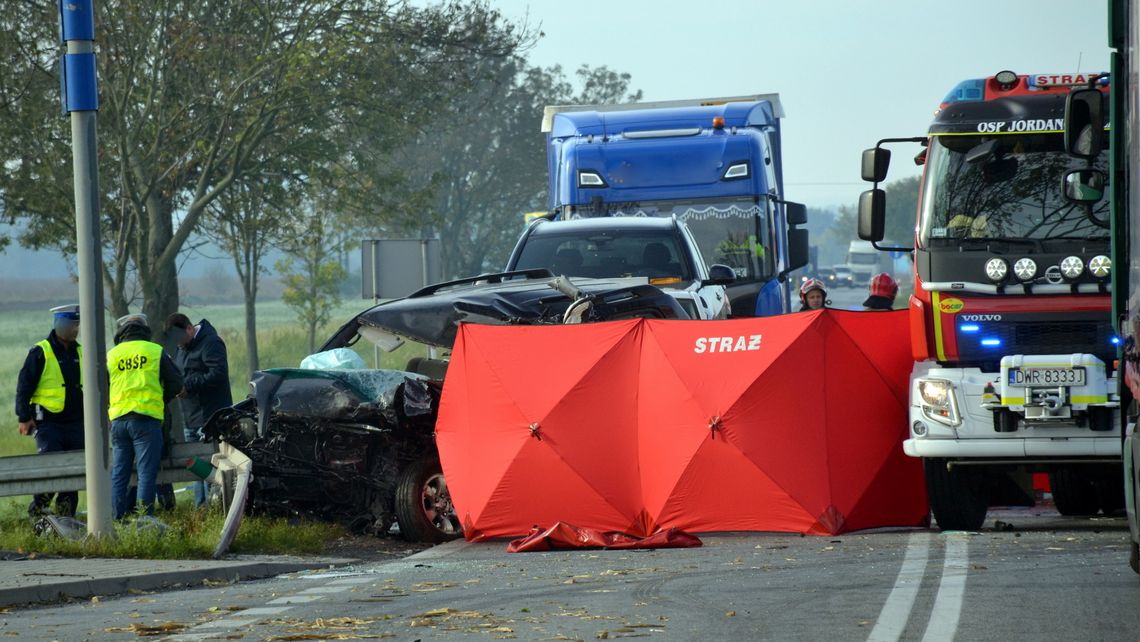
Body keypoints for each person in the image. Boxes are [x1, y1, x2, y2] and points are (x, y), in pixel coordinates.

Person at [108, 314, 183, 520]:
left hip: (119, 421)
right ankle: (144, 522)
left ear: (122, 332)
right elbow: (177, 383)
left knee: (119, 475)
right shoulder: (155, 351)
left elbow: (101, 387)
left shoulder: (112, 355)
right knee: (146, 475)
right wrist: (161, 397)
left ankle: (116, 520)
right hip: (146, 421)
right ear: (145, 330)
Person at [14, 304, 84, 518]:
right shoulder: (40, 351)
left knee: (73, 473)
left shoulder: (82, 351)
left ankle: (66, 519)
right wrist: (24, 417)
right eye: (72, 325)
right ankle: (37, 513)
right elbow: (24, 385)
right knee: (51, 468)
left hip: (76, 422)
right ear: (60, 325)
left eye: (77, 325)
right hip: (48, 423)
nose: (76, 329)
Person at [165, 313, 232, 507]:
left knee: (210, 467)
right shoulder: (181, 348)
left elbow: (218, 374)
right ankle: (200, 507)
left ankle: (214, 507)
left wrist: (189, 386)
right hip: (190, 417)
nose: (178, 343)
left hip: (210, 417)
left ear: (188, 329)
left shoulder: (212, 343)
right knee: (196, 468)